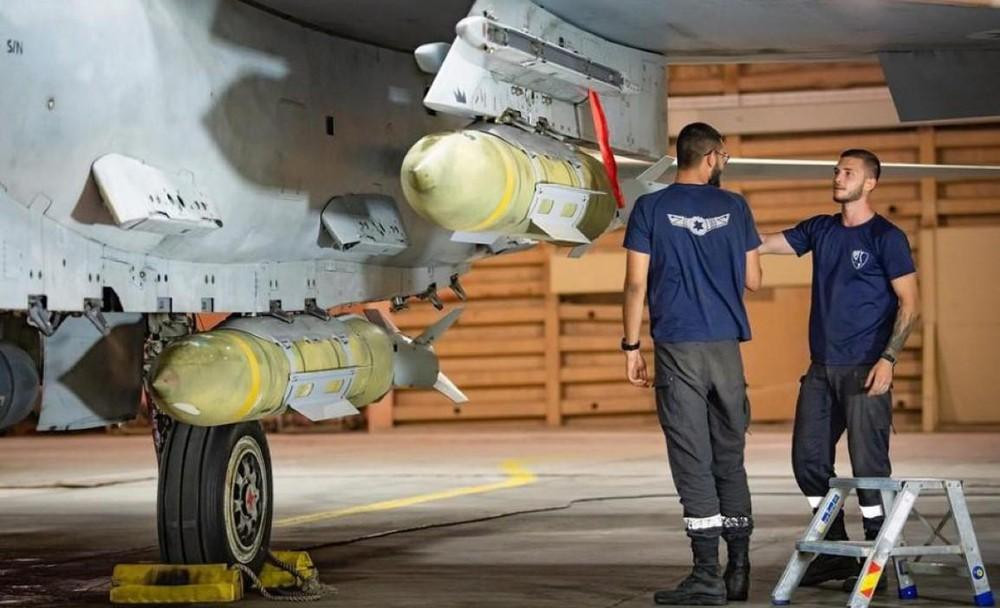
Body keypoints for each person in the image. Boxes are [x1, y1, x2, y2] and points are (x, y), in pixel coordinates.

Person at [758, 149, 919, 588]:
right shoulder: (821, 229)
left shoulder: (887, 237)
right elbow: (764, 243)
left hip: (867, 367)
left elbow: (910, 303)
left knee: (869, 469)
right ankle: (833, 550)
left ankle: (875, 560)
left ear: (869, 183)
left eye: (848, 172)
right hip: (821, 369)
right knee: (808, 460)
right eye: (836, 170)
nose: (838, 176)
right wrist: (723, 223)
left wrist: (888, 358)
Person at [622, 122, 762, 605]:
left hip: (678, 347)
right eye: (723, 156)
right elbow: (755, 280)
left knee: (693, 460)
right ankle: (738, 570)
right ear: (710, 157)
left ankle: (706, 575)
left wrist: (630, 346)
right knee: (730, 459)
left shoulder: (649, 208)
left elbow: (635, 284)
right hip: (726, 349)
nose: (724, 163)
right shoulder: (736, 207)